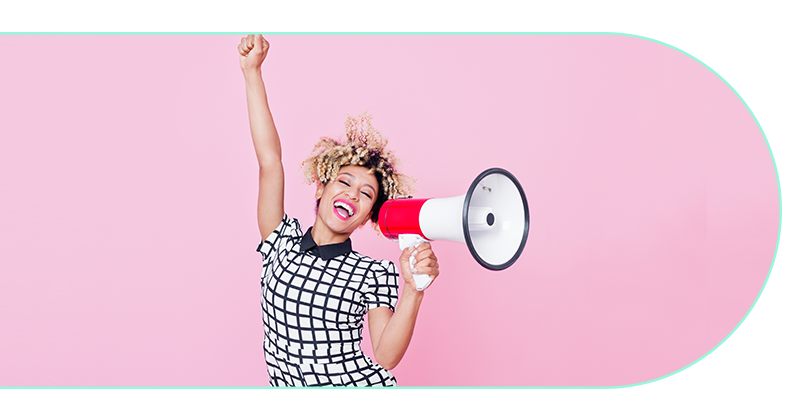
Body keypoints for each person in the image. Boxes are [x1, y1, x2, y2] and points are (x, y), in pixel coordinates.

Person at [238, 34, 440, 387]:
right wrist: (252, 72)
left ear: (366, 217)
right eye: (344, 182)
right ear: (321, 187)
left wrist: (413, 290)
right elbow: (270, 162)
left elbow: (386, 356)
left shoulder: (373, 273)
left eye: (366, 194)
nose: (352, 194)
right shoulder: (279, 242)